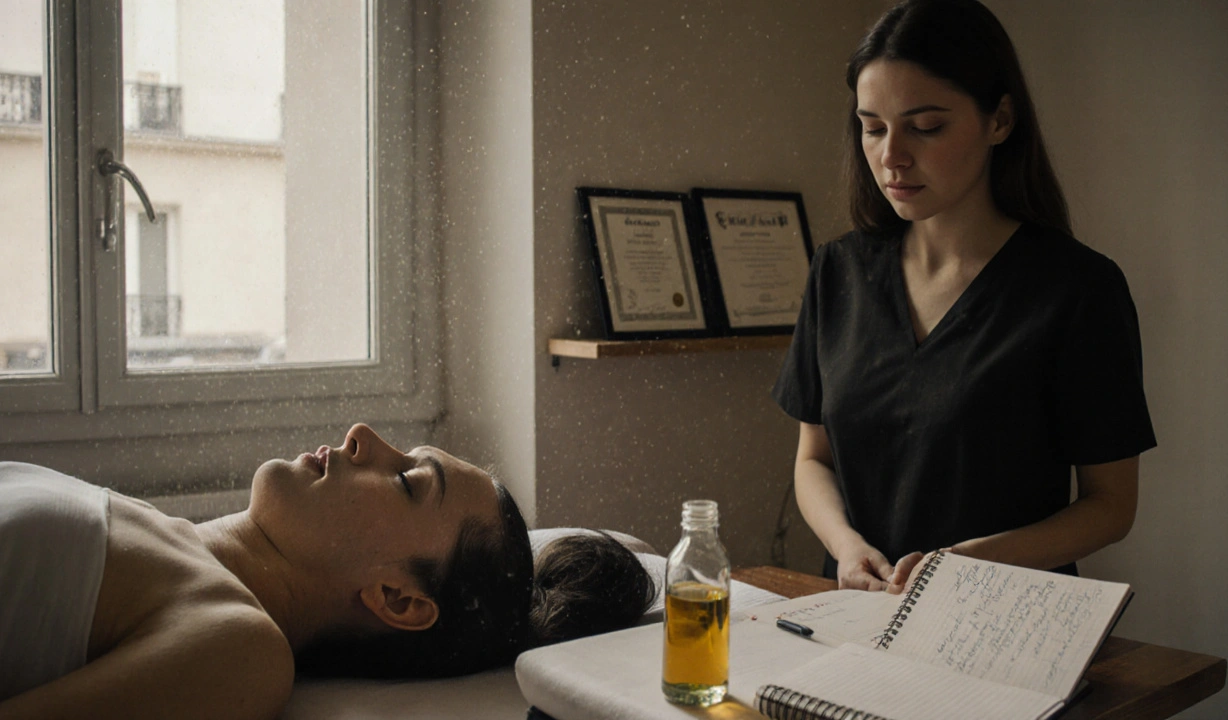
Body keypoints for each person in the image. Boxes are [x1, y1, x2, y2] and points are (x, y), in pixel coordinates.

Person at [772, 0, 1156, 594]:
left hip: (1003, 619)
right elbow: (813, 459)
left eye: (926, 127)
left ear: (1000, 120)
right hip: (858, 611)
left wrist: (974, 563)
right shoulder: (838, 272)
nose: (891, 156)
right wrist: (847, 550)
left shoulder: (1077, 290)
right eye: (872, 127)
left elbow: (1110, 506)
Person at [0, 423, 654, 718]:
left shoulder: (240, 647)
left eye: (403, 480)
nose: (362, 436)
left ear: (397, 599)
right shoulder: (160, 532)